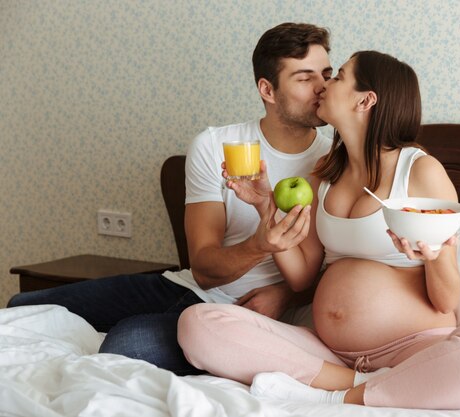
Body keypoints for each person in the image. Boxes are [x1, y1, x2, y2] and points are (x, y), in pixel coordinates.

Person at [177, 51, 460, 409]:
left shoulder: (420, 171)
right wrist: (265, 206)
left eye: (338, 76)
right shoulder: (323, 173)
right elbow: (302, 278)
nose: (325, 85)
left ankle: (351, 393)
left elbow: (447, 300)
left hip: (415, 347)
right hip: (330, 353)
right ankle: (364, 386)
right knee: (198, 324)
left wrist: (434, 259)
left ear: (366, 100)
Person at [6, 22, 333, 376]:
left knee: (125, 345)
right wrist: (260, 245)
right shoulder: (218, 146)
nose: (322, 88)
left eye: (327, 74)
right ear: (267, 90)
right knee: (22, 309)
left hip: (238, 315)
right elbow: (205, 271)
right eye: (305, 78)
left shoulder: (334, 162)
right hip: (190, 287)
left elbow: (330, 267)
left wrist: (288, 295)